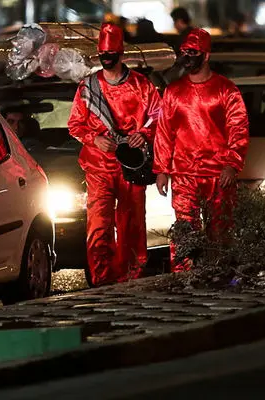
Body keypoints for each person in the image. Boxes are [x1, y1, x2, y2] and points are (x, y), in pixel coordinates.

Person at [68, 22, 162, 287]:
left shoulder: (142, 85)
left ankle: (131, 277)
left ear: (121, 55)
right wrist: (93, 138)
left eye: (111, 55)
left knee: (132, 222)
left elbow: (159, 116)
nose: (106, 59)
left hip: (131, 165)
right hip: (98, 166)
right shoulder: (87, 88)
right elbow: (75, 125)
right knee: (99, 224)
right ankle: (101, 279)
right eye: (102, 55)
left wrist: (143, 133)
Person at [153, 28, 250, 272]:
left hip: (217, 173)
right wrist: (162, 169)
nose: (187, 57)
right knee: (185, 227)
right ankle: (184, 277)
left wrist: (231, 164)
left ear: (205, 56)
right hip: (184, 172)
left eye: (192, 52)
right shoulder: (174, 92)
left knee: (220, 228)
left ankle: (220, 273)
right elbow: (164, 132)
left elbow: (238, 129)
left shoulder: (226, 90)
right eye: (184, 52)